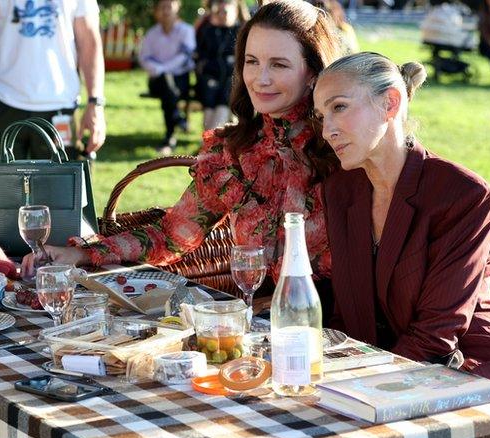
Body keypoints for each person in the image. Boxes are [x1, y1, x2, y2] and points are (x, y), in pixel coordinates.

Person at [314, 52, 490, 438]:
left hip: (473, 390)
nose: (328, 129)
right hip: (381, 392)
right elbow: (346, 317)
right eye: (321, 115)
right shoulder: (340, 190)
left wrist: (358, 395)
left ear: (390, 103)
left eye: (339, 108)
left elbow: (437, 335)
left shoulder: (464, 196)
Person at [25, 0, 342, 303]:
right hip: (259, 320)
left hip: (343, 325)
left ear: (314, 72)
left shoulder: (340, 147)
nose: (260, 79)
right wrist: (82, 253)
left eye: (279, 64)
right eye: (252, 61)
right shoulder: (233, 152)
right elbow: (171, 236)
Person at [0, 0, 107, 193]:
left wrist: (95, 103)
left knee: (62, 203)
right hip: (1, 104)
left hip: (61, 107)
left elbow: (89, 41)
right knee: (0, 203)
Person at [141, 0, 197, 154]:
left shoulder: (186, 30)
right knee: (166, 85)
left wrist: (163, 69)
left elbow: (186, 56)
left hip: (180, 78)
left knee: (168, 93)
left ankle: (170, 136)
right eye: (162, 7)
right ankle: (177, 119)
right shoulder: (152, 33)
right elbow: (144, 58)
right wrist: (158, 70)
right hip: (156, 80)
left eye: (169, 7)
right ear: (156, 11)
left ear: (177, 7)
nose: (166, 11)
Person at [195, 0, 250, 132]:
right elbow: (198, 55)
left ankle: (210, 142)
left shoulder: (243, 30)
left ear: (236, 9)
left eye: (225, 10)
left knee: (226, 94)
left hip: (232, 80)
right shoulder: (207, 30)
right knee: (210, 104)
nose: (222, 14)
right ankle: (211, 141)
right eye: (218, 10)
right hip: (209, 79)